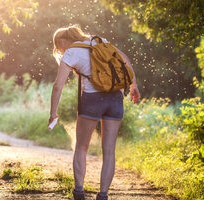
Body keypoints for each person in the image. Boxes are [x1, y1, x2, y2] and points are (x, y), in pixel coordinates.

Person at [48, 25, 140, 200]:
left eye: (58, 46)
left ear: (62, 41)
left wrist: (53, 113)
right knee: (109, 151)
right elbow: (125, 60)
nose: (59, 50)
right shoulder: (100, 42)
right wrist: (133, 85)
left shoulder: (71, 52)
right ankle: (103, 195)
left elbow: (57, 86)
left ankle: (79, 192)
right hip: (115, 99)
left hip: (92, 100)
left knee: (81, 147)